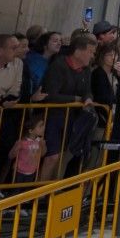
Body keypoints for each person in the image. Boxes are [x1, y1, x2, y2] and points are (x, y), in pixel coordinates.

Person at [38, 32, 103, 181]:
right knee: (52, 156)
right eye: (90, 52)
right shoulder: (58, 66)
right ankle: (38, 194)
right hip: (54, 117)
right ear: (79, 51)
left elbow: (88, 90)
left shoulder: (86, 70)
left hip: (72, 119)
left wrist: (87, 98)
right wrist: (76, 99)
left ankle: (51, 190)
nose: (92, 56)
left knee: (63, 157)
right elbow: (50, 94)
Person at [9, 115, 44, 184]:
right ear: (31, 131)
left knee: (26, 190)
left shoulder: (39, 141)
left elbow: (42, 154)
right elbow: (10, 156)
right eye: (40, 126)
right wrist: (16, 148)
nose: (44, 128)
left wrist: (43, 145)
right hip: (19, 171)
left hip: (32, 171)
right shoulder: (22, 142)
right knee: (16, 190)